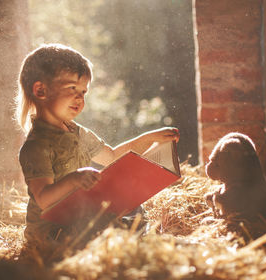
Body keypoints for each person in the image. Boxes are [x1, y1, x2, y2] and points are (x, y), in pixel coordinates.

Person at [15, 43, 179, 245]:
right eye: (72, 88)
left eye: (83, 92)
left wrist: (148, 139)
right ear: (41, 90)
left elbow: (111, 156)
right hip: (51, 231)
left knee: (133, 210)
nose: (79, 98)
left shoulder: (78, 132)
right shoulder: (36, 146)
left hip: (78, 215)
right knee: (108, 225)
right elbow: (43, 198)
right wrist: (74, 179)